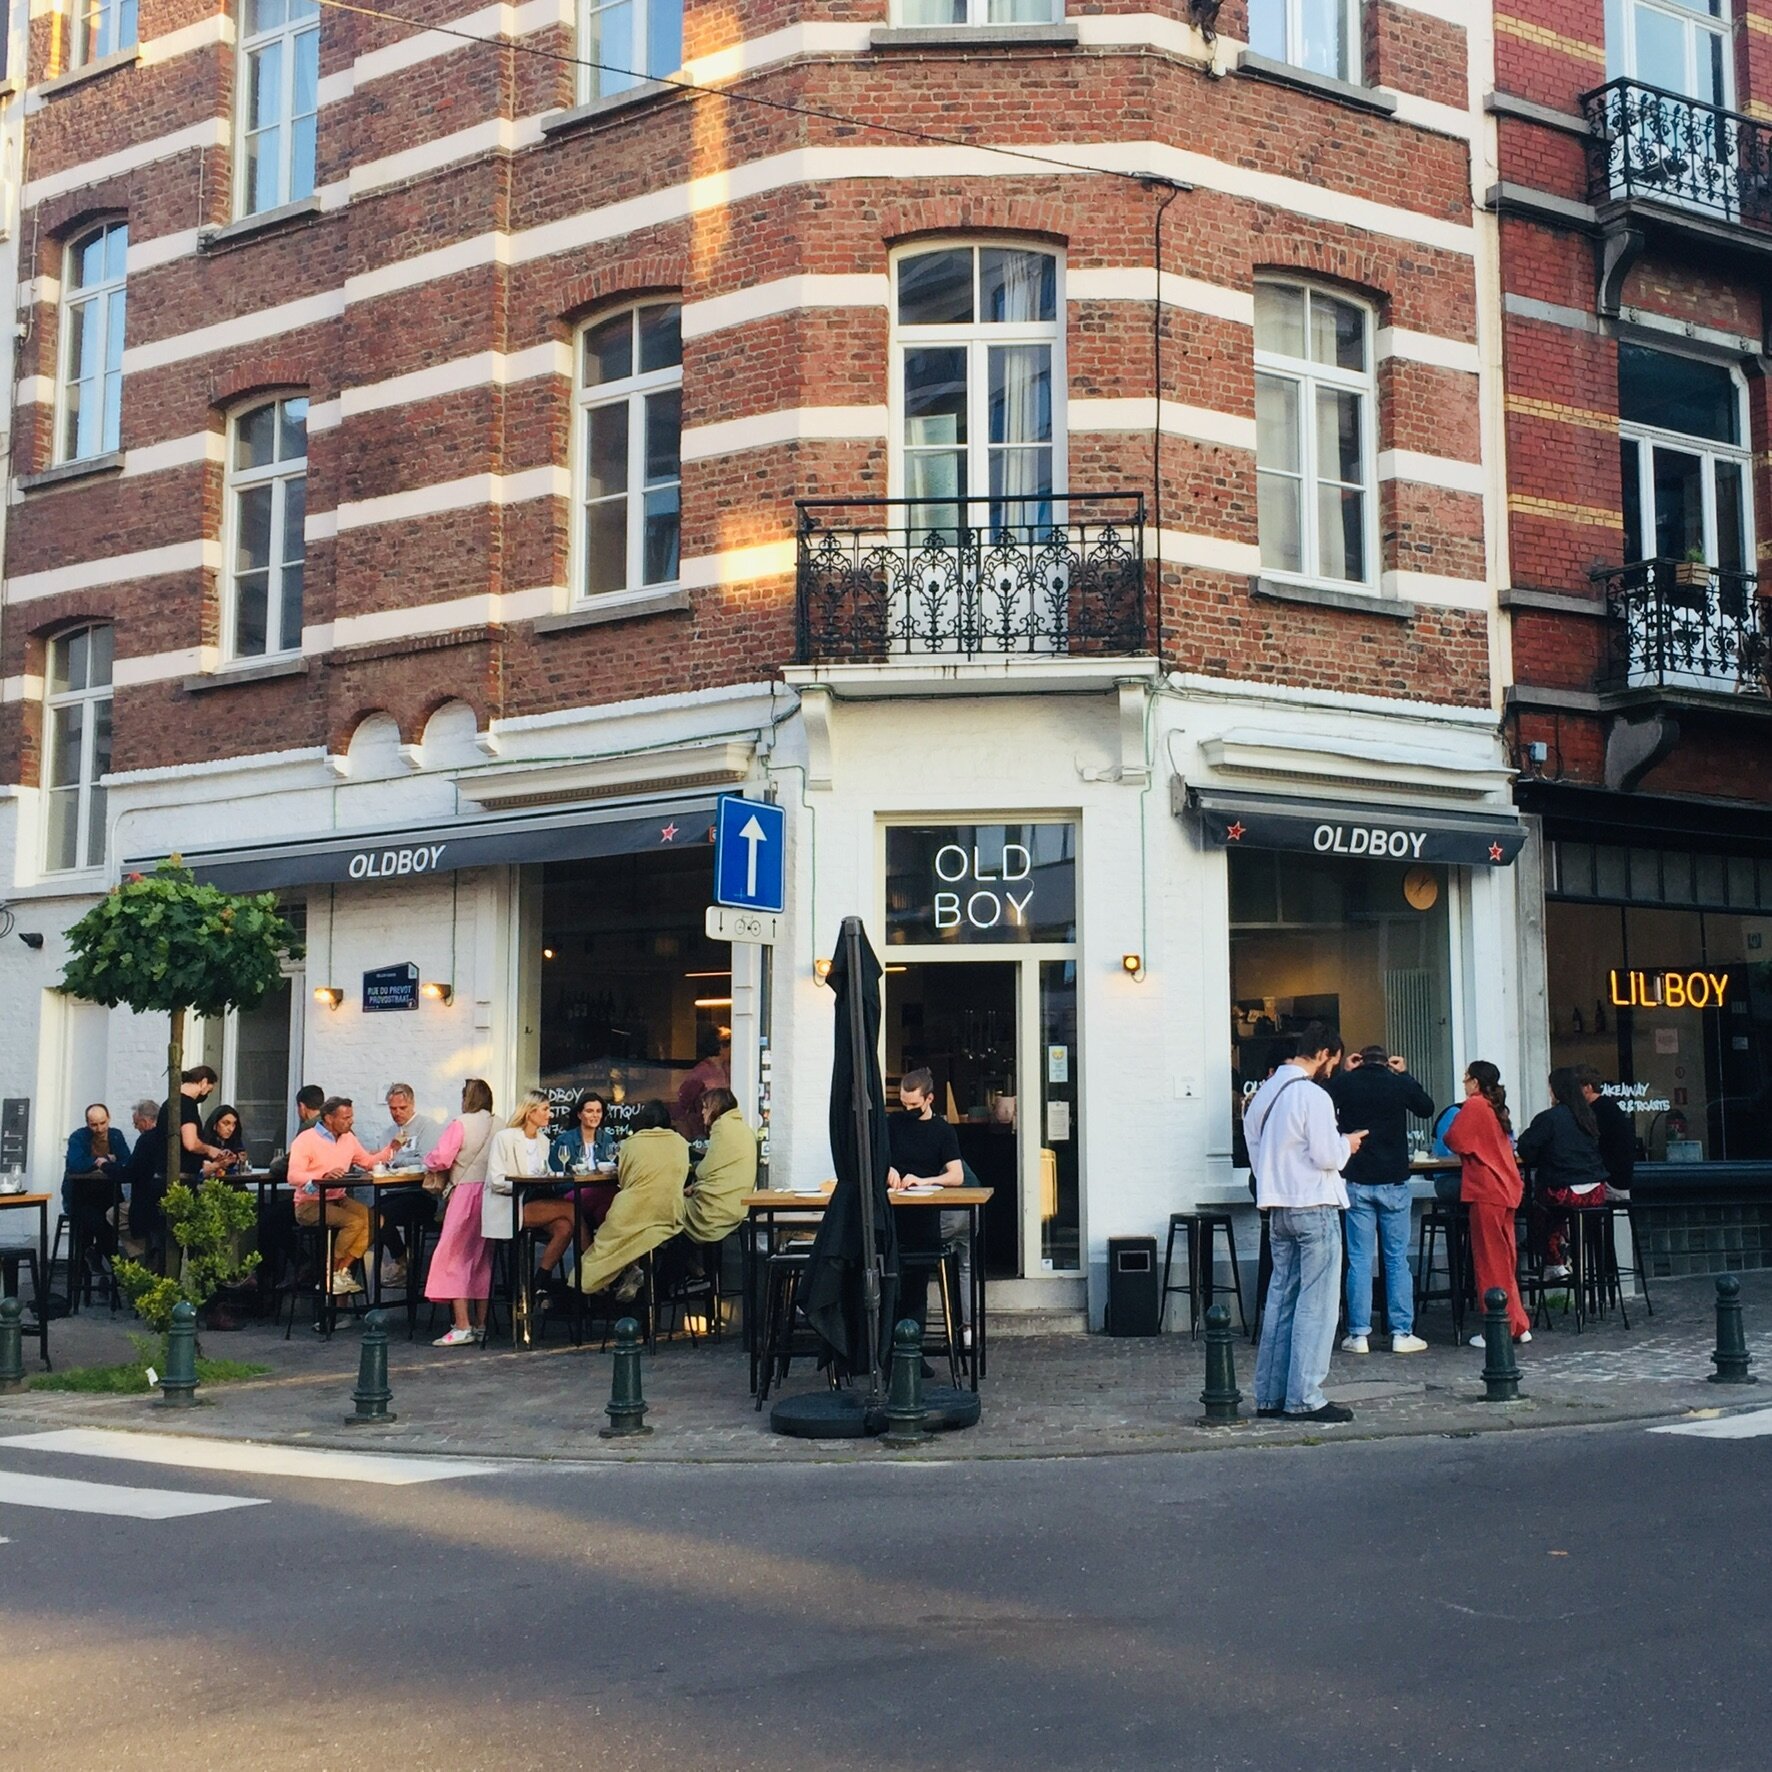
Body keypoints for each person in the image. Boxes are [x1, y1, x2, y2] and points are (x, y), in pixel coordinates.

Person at [1245, 1022, 1365, 1424]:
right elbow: (1326, 1156)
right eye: (1332, 1059)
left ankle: (1270, 1394)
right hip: (1314, 1204)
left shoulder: (1262, 1096)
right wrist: (1346, 1144)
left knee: (1280, 1300)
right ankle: (1305, 1396)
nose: (1331, 1067)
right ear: (1325, 1053)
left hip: (1278, 1207)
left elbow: (1258, 1154)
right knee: (1317, 1303)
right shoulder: (1312, 1095)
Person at [1327, 1044, 1433, 1356]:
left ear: (1360, 1061)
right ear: (1387, 1062)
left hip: (1357, 1181)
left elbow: (1320, 1100)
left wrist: (1344, 1071)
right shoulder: (1397, 1082)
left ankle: (1358, 1334)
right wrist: (1405, 1074)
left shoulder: (1346, 1083)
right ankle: (1402, 1332)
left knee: (1359, 1260)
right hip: (1394, 1181)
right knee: (1396, 1259)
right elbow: (1426, 1107)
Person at [1445, 1060, 1531, 1345]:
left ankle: (1498, 1327)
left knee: (1489, 1260)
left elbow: (1454, 1138)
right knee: (1505, 1259)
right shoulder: (1496, 1108)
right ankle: (1517, 1321)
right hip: (1505, 1189)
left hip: (1486, 1189)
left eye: (1467, 1079)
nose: (1465, 1083)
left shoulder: (1475, 1105)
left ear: (1476, 1083)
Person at [576, 1099, 688, 1301]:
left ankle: (599, 1283)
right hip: (670, 1214)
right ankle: (630, 1274)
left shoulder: (631, 1143)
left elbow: (625, 1180)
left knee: (611, 1233)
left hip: (635, 1211)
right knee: (624, 1227)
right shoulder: (680, 1143)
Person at [286, 1096, 400, 1295]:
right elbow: (293, 1176)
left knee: (376, 1220)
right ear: (329, 1118)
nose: (351, 1121)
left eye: (351, 1117)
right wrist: (322, 1175)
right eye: (345, 1118)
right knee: (354, 1222)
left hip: (338, 1198)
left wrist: (391, 1150)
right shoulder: (306, 1139)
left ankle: (340, 1271)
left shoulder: (348, 1138)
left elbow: (367, 1162)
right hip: (309, 1203)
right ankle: (330, 1273)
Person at [885, 1067, 964, 1336]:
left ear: (930, 1099)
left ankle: (913, 1351)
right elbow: (873, 1156)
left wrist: (925, 1180)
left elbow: (957, 1175)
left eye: (914, 1105)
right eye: (904, 1104)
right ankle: (891, 1349)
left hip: (923, 1218)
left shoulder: (942, 1130)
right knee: (890, 1281)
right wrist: (886, 1169)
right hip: (891, 1216)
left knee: (916, 1284)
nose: (908, 1110)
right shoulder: (892, 1124)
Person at [423, 1078, 499, 1347]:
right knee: (481, 1258)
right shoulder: (498, 1123)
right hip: (491, 1195)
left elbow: (442, 1158)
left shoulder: (461, 1123)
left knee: (453, 1256)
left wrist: (426, 1159)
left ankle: (462, 1324)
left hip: (465, 1193)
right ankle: (481, 1323)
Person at [482, 1089, 579, 1296]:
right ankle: (588, 1266)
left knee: (564, 1227)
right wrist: (525, 1184)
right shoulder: (505, 1138)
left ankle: (538, 1282)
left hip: (535, 1200)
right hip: (510, 1203)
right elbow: (496, 1180)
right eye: (545, 1109)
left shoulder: (544, 1141)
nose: (550, 1114)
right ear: (530, 1112)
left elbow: (542, 1173)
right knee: (573, 1209)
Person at [1516, 1067, 1608, 1279]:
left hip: (1566, 1192)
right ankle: (1566, 1254)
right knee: (1554, 1207)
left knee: (1539, 1205)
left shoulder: (1549, 1118)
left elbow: (1526, 1149)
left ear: (1556, 1090)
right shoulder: (1588, 1117)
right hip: (1596, 1191)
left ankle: (1552, 1259)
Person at [374, 1082, 444, 1290]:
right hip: (394, 1190)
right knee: (370, 1215)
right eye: (392, 1109)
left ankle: (402, 1263)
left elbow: (426, 1162)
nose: (397, 1113)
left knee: (383, 1213)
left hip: (421, 1194)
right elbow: (381, 1161)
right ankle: (401, 1258)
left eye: (402, 1108)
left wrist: (396, 1161)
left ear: (412, 1104)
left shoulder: (427, 1127)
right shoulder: (388, 1133)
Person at [684, 1087, 755, 1246]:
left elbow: (705, 1170)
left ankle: (672, 1269)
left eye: (705, 1107)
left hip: (718, 1207)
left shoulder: (722, 1127)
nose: (702, 1112)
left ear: (715, 1107)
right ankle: (696, 1269)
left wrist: (695, 1170)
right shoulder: (744, 1129)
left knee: (672, 1210)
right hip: (737, 1203)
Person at [62, 1103, 130, 1258]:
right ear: (87, 1123)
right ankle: (88, 1264)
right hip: (82, 1196)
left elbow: (126, 1161)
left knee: (112, 1219)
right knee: (93, 1222)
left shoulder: (115, 1136)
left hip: (109, 1195)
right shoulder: (78, 1137)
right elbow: (75, 1165)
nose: (99, 1129)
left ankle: (97, 1256)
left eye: (102, 1123)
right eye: (94, 1125)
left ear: (109, 1119)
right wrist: (102, 1160)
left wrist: (101, 1163)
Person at [551, 1090, 619, 1231]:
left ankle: (602, 1251)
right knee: (611, 1195)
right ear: (579, 1114)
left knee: (605, 1212)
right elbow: (555, 1181)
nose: (595, 1115)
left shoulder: (607, 1139)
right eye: (589, 1111)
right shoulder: (564, 1140)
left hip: (600, 1196)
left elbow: (614, 1167)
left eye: (598, 1111)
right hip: (571, 1192)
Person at [158, 1065, 227, 1182]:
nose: (206, 1095)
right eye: (209, 1091)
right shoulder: (188, 1105)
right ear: (203, 1082)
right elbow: (191, 1143)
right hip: (182, 1179)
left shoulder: (169, 1103)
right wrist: (210, 1150)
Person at [1576, 1066, 1637, 1197]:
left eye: (1577, 1088)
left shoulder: (1597, 1111)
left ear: (1588, 1087)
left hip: (1609, 1178)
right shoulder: (1609, 1107)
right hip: (1618, 1176)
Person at [119, 1099, 162, 1251]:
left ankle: (139, 1256)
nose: (136, 1127)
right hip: (162, 1198)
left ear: (144, 1121)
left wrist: (105, 1166)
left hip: (147, 1202)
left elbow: (130, 1172)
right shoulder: (167, 1136)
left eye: (136, 1123)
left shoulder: (146, 1140)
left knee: (113, 1214)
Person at [674, 1030, 731, 1136]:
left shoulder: (728, 1068)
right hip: (703, 1131)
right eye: (728, 1043)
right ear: (720, 1047)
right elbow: (683, 1104)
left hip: (726, 1128)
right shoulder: (700, 1073)